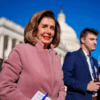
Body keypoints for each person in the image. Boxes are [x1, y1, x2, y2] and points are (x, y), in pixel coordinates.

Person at [0, 10, 66, 100]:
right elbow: (4, 87)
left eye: (52, 28)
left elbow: (61, 89)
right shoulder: (21, 51)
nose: (48, 31)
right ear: (34, 30)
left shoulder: (56, 58)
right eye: (44, 26)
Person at [63, 28, 100, 100]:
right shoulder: (72, 56)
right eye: (92, 39)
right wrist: (86, 86)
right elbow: (65, 78)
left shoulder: (95, 61)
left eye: (96, 40)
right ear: (83, 40)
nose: (95, 42)